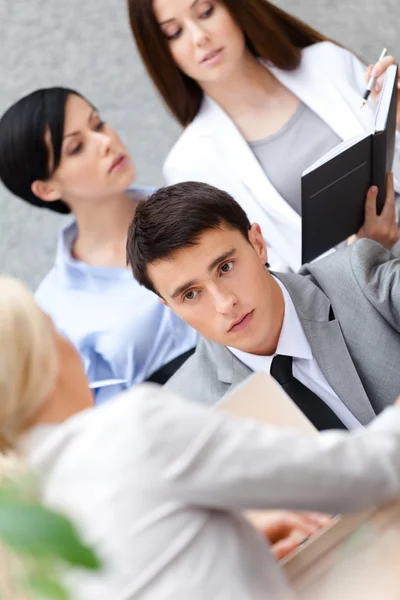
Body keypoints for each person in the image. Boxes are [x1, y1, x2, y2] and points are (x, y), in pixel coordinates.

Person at [2, 276, 400, 600]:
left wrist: (233, 548)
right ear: (44, 361)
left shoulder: (17, 529)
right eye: (55, 330)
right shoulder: (134, 428)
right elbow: (361, 473)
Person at [128, 0, 400, 271]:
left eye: (206, 12)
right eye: (174, 33)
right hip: (364, 293)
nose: (200, 37)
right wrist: (366, 251)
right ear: (161, 51)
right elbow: (266, 277)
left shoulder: (327, 62)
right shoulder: (189, 164)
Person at [127, 178, 400, 429]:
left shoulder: (359, 277)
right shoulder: (185, 413)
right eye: (190, 295)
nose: (225, 304)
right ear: (170, 307)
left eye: (226, 267)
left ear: (258, 244)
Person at [0, 88, 198, 402]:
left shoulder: (196, 198)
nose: (106, 143)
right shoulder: (55, 308)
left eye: (98, 124)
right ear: (47, 188)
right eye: (77, 147)